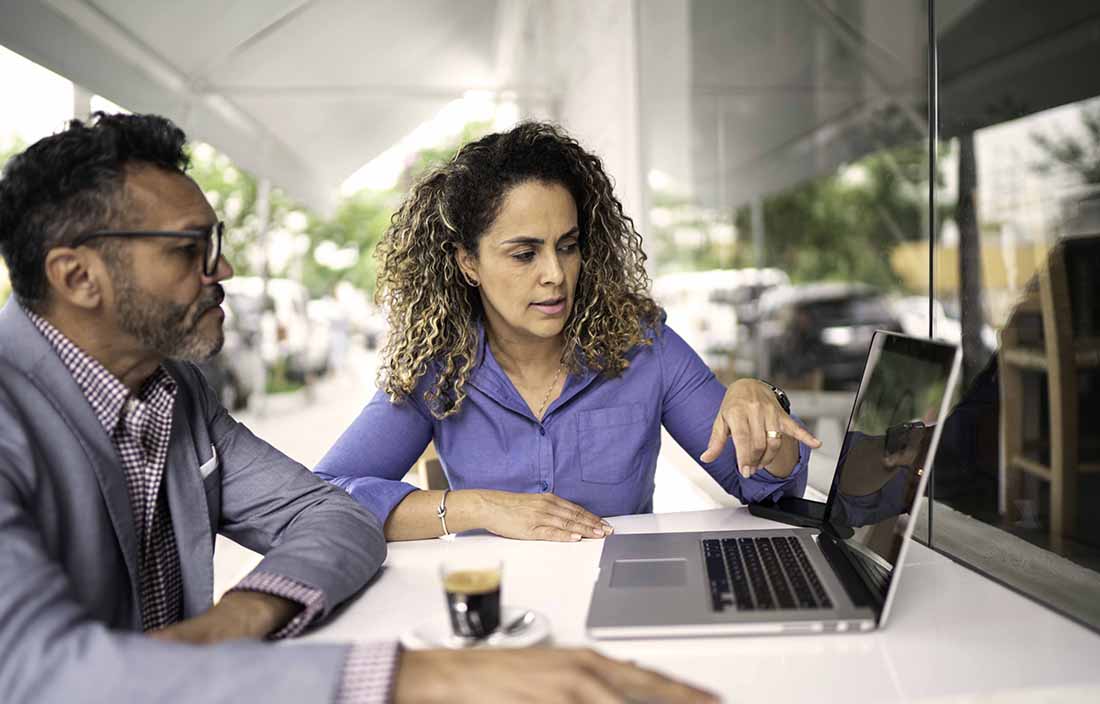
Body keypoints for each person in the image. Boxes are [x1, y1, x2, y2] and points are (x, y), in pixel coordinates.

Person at [0, 113, 716, 704]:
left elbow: (330, 515)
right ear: (77, 276)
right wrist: (415, 677)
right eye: (193, 249)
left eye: (566, 247)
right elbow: (41, 676)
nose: (224, 269)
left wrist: (234, 620)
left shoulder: (174, 393)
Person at [316, 122, 822, 541]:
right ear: (469, 262)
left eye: (568, 245)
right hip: (501, 620)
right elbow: (324, 497)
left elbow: (765, 490)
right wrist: (480, 508)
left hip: (625, 606)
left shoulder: (644, 346)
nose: (555, 274)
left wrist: (761, 408)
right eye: (524, 253)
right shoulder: (439, 367)